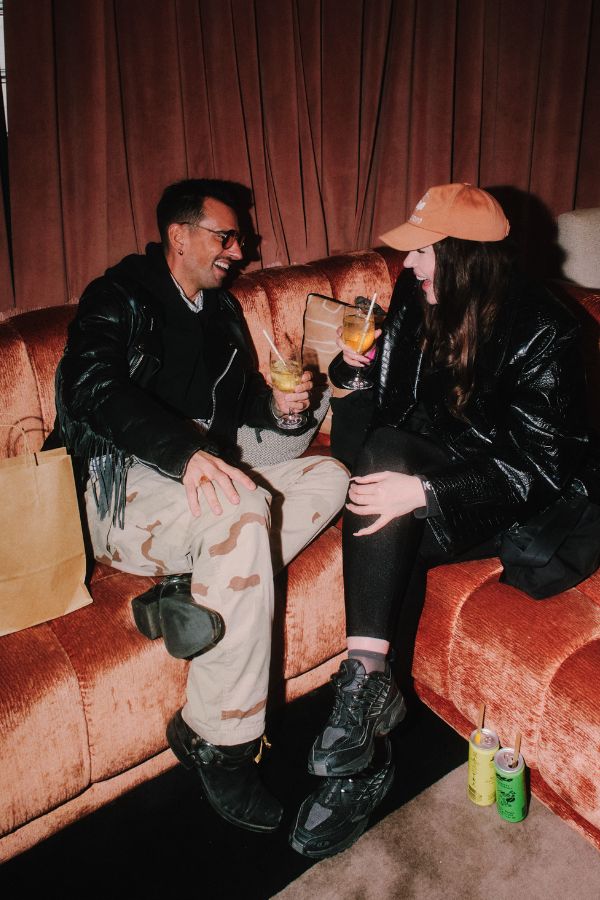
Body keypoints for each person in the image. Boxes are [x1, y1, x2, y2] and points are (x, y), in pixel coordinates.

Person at [290, 182, 600, 858]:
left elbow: (538, 469)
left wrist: (424, 492)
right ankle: (369, 684)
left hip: (519, 496)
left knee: (384, 529)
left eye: (423, 251)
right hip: (437, 466)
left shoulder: (548, 328)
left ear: (465, 256)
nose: (407, 266)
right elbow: (374, 441)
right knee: (380, 488)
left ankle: (362, 746)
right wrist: (352, 377)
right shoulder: (412, 303)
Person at [46, 178, 349, 834]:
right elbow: (92, 388)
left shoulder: (220, 313)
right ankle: (220, 741)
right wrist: (183, 454)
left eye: (239, 239)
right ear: (178, 236)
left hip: (196, 479)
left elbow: (239, 409)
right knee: (240, 509)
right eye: (224, 236)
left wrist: (280, 408)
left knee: (331, 477)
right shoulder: (119, 296)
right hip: (118, 484)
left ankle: (193, 582)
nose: (237, 252)